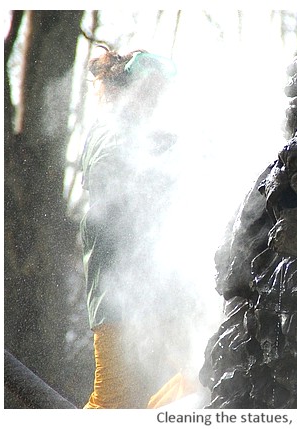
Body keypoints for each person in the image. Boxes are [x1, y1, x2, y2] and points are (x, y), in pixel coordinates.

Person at [81, 47, 197, 408]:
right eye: (148, 92)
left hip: (158, 295)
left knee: (201, 377)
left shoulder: (146, 136)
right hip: (116, 298)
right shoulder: (107, 133)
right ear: (122, 92)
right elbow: (108, 175)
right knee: (111, 401)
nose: (154, 101)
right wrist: (154, 154)